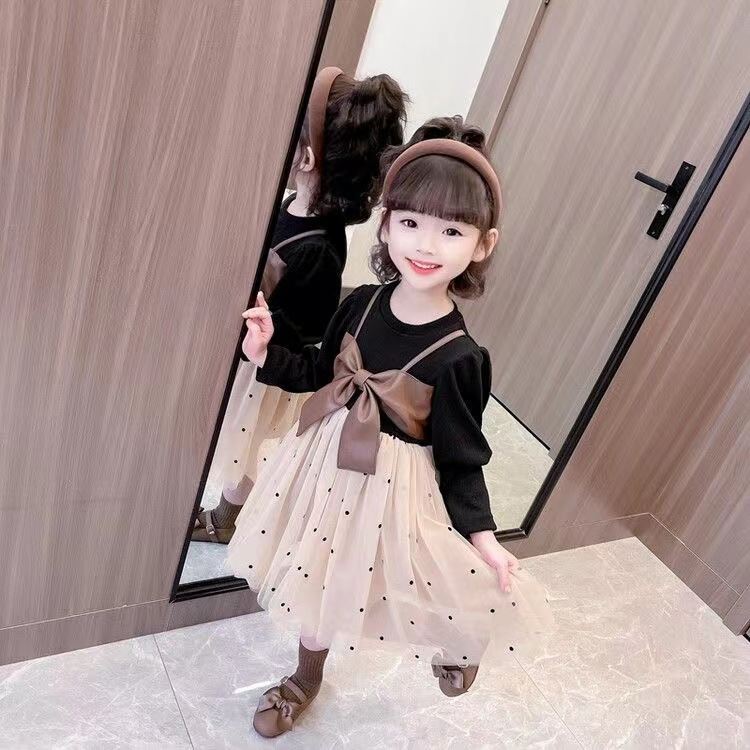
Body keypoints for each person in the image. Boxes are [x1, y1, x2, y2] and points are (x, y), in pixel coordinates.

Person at [228, 117, 552, 738]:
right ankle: (304, 677)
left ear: (482, 245)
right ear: (385, 224)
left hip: (391, 487)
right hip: (324, 465)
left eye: (451, 231)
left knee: (409, 577)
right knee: (318, 576)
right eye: (410, 223)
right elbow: (319, 372)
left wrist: (484, 537)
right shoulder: (361, 302)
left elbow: (461, 457)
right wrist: (267, 353)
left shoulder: (460, 357)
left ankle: (460, 639)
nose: (426, 246)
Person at [192, 67, 408, 543]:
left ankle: (226, 517)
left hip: (268, 373)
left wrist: (261, 342)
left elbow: (308, 336)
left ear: (307, 157)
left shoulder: (319, 249)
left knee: (248, 447)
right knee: (235, 440)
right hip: (252, 352)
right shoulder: (293, 202)